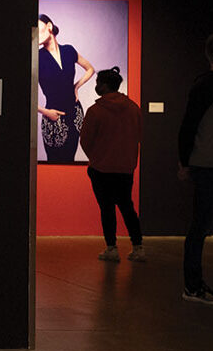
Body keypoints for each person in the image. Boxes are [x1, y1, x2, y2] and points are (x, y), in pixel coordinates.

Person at [177, 30, 213, 305]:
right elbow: (188, 126)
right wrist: (185, 161)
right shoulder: (207, 86)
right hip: (209, 166)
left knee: (202, 224)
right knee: (201, 226)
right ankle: (193, 286)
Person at [78, 66, 145, 262]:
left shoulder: (95, 111)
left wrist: (96, 157)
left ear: (105, 86)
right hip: (125, 168)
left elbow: (85, 140)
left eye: (98, 83)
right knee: (127, 206)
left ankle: (112, 248)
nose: (97, 86)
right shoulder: (134, 108)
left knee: (106, 208)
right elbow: (139, 136)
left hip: (101, 168)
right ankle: (138, 246)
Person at [38, 14, 96, 164]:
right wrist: (46, 112)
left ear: (49, 26)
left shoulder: (69, 50)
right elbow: (22, 95)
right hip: (53, 118)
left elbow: (90, 69)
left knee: (70, 160)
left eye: (38, 29)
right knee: (54, 164)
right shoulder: (36, 57)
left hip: (75, 114)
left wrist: (76, 86)